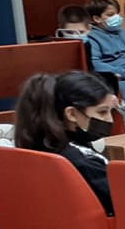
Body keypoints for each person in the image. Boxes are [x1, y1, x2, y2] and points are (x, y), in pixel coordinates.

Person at [13, 71, 119, 215]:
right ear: (72, 114)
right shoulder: (84, 161)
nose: (110, 120)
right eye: (102, 112)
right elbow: (123, 203)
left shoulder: (40, 144)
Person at [84, 0, 125, 130]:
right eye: (110, 15)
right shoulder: (92, 37)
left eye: (117, 13)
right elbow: (96, 64)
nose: (117, 17)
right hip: (121, 78)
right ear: (97, 18)